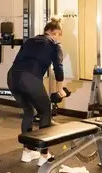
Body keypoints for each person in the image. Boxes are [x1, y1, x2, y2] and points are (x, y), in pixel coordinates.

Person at [7, 19, 67, 163]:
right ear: (55, 33)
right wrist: (60, 89)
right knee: (46, 111)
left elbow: (19, 61)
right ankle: (44, 156)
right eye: (59, 35)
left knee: (29, 112)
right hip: (29, 79)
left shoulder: (30, 41)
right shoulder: (54, 45)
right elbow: (58, 67)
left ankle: (27, 152)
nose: (59, 38)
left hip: (12, 77)